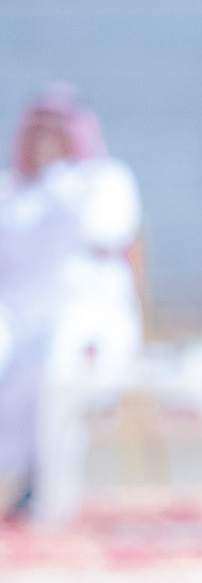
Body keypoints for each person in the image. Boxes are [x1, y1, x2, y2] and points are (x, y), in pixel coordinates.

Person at [0, 85, 142, 513]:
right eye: (40, 131)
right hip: (18, 317)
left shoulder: (105, 181)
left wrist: (59, 184)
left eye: (57, 131)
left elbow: (107, 230)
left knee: (58, 358)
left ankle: (48, 483)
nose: (47, 141)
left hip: (90, 316)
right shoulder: (11, 189)